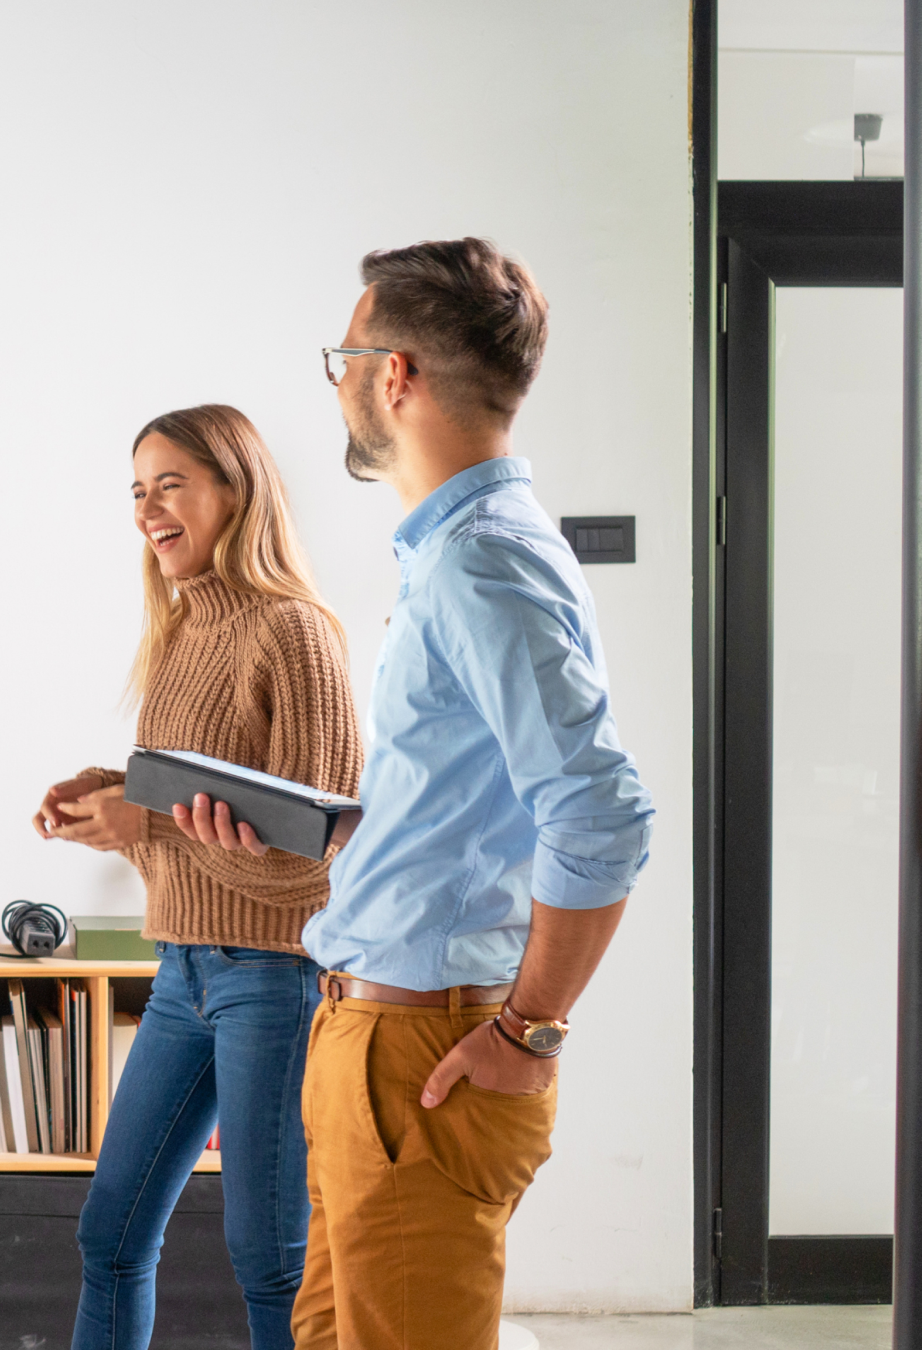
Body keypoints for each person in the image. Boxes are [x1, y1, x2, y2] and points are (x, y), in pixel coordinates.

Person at [294, 239, 653, 1348]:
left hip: (424, 1061)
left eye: (343, 357)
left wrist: (530, 1029)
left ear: (392, 374)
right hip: (370, 1040)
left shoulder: (479, 562)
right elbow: (472, 809)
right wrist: (330, 829)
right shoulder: (455, 554)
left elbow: (601, 813)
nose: (340, 380)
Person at [36, 405, 362, 1350]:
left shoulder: (294, 633)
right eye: (138, 491)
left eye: (169, 484)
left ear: (236, 488)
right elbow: (192, 817)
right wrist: (109, 805)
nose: (148, 509)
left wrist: (153, 822)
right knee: (111, 1233)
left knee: (270, 1260)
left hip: (276, 977)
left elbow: (318, 861)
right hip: (182, 972)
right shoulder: (180, 633)